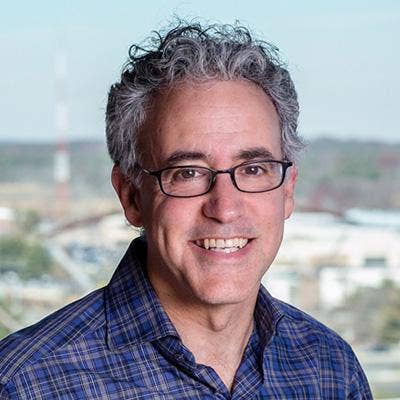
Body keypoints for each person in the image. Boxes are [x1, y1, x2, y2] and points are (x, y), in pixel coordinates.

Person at [0, 21, 372, 399]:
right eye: (188, 173)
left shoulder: (330, 369)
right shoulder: (25, 384)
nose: (225, 208)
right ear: (131, 196)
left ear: (287, 190)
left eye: (253, 169)